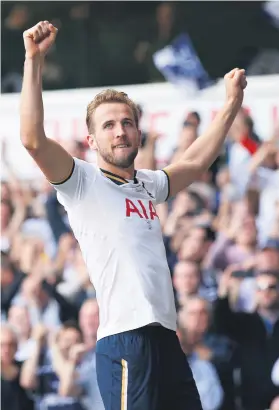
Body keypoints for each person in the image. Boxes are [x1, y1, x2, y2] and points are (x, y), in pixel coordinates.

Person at [20, 20, 247, 410]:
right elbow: (33, 139)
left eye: (127, 123)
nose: (120, 131)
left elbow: (192, 163)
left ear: (139, 133)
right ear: (91, 141)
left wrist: (229, 107)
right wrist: (33, 61)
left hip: (166, 339)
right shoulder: (81, 181)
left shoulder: (146, 183)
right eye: (108, 125)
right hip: (125, 340)